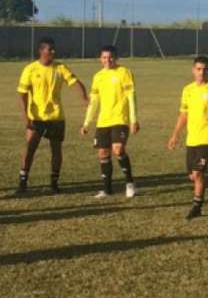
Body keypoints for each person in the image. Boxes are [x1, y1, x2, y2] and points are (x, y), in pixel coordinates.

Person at [15, 37, 88, 195]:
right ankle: (22, 182)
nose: (53, 52)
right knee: (29, 149)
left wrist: (85, 99)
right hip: (36, 118)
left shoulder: (60, 67)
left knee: (56, 150)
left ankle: (54, 183)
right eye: (50, 50)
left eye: (54, 49)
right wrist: (26, 116)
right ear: (41, 51)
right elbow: (22, 94)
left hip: (56, 117)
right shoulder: (30, 69)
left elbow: (75, 82)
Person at [168, 56, 208, 220]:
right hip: (192, 139)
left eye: (205, 69)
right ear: (193, 70)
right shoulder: (187, 90)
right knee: (194, 176)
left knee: (197, 173)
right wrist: (175, 134)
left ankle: (197, 206)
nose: (201, 72)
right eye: (198, 69)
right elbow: (184, 114)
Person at [81, 45, 139, 198]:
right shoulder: (98, 76)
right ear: (100, 59)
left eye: (111, 57)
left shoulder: (124, 73)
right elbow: (94, 102)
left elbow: (131, 97)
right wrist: (87, 122)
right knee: (103, 153)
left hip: (120, 118)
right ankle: (107, 189)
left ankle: (130, 184)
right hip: (103, 121)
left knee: (118, 149)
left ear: (116, 57)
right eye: (104, 57)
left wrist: (133, 120)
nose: (108, 60)